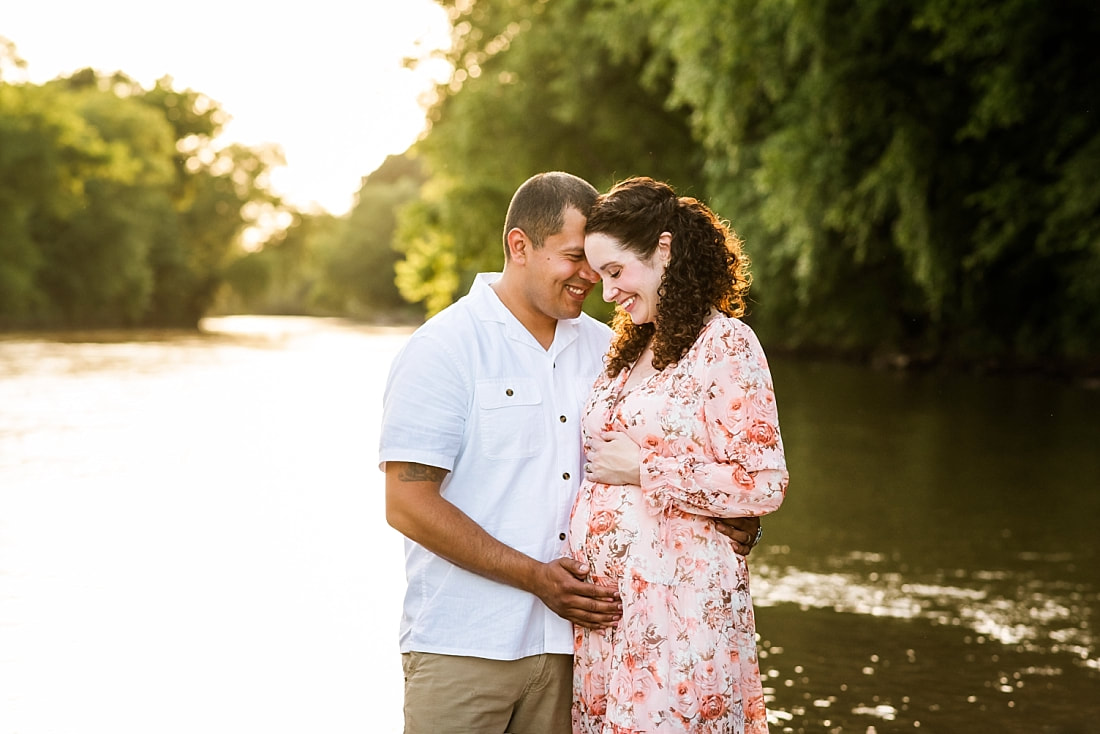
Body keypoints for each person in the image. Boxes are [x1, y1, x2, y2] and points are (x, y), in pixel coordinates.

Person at [379, 172, 762, 734]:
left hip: (582, 654)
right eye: (574, 257)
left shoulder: (614, 349)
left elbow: (682, 457)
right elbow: (406, 503)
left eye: (600, 262)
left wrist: (729, 513)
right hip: (466, 645)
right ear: (519, 246)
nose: (591, 277)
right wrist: (537, 578)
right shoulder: (444, 348)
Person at [570, 176, 788, 733]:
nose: (608, 292)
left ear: (663, 249)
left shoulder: (726, 344)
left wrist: (645, 470)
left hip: (680, 619)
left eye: (616, 272)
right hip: (609, 625)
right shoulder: (630, 348)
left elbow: (762, 482)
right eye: (599, 278)